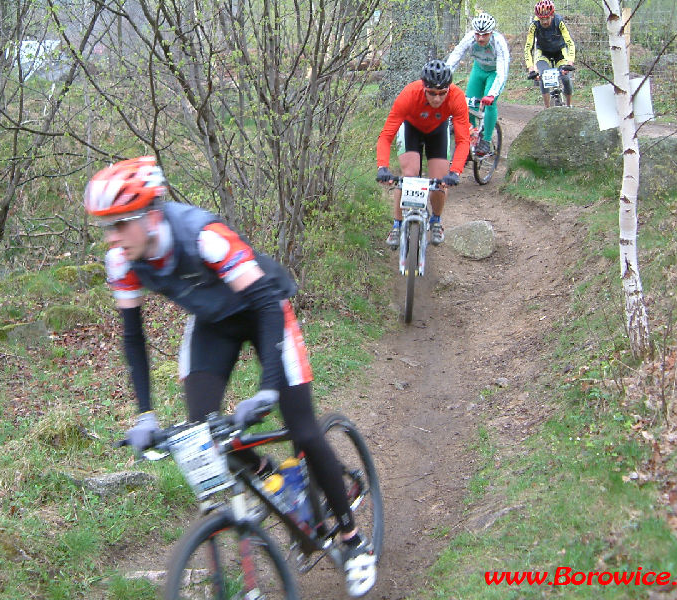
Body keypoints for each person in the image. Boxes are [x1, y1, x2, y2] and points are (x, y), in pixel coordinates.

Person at [84, 156, 376, 597]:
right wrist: (145, 413)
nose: (112, 237)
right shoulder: (121, 260)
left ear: (150, 216)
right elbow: (133, 337)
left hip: (265, 313)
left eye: (119, 224)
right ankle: (269, 475)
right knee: (202, 432)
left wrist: (266, 389)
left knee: (302, 426)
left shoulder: (204, 236)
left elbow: (264, 304)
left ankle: (353, 542)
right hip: (212, 325)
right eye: (105, 226)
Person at [377, 60, 470, 248]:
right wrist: (382, 167)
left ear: (449, 90)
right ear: (423, 87)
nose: (437, 99)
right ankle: (397, 224)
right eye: (432, 93)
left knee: (440, 180)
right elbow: (386, 135)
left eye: (442, 93)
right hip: (411, 129)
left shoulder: (457, 97)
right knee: (409, 175)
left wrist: (456, 171)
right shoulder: (409, 94)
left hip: (437, 131)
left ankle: (436, 221)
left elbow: (463, 140)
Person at [444, 12, 510, 157]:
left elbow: (502, 71)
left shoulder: (498, 42)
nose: (480, 38)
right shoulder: (469, 38)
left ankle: (485, 140)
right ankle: (470, 137)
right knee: (468, 104)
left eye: (485, 35)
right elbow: (456, 55)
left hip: (494, 72)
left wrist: (492, 94)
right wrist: (444, 76)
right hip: (478, 69)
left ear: (491, 33)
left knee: (489, 103)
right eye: (478, 34)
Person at [524, 0, 576, 108]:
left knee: (566, 78)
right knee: (543, 77)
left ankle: (569, 106)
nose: (545, 22)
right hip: (543, 52)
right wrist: (531, 68)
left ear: (552, 15)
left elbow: (570, 43)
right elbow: (528, 47)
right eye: (542, 19)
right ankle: (547, 109)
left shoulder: (559, 21)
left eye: (547, 18)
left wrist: (570, 62)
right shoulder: (534, 25)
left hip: (559, 51)